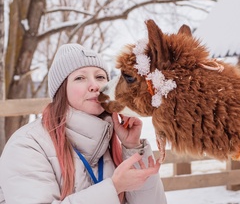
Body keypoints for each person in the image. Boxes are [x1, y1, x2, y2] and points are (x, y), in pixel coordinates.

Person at [0, 43, 167, 204]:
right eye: (80, 78)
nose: (94, 85)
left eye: (100, 77)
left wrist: (132, 147)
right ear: (61, 91)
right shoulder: (27, 145)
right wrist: (114, 187)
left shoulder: (111, 142)